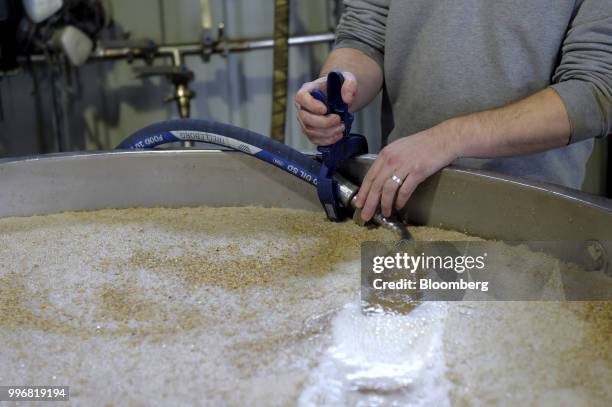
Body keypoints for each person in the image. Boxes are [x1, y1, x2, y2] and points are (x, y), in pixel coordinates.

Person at [295, 0, 612, 222]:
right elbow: (365, 36)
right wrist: (339, 86)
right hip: (405, 200)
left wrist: (448, 139)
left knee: (504, 318)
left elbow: (595, 91)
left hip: (526, 218)